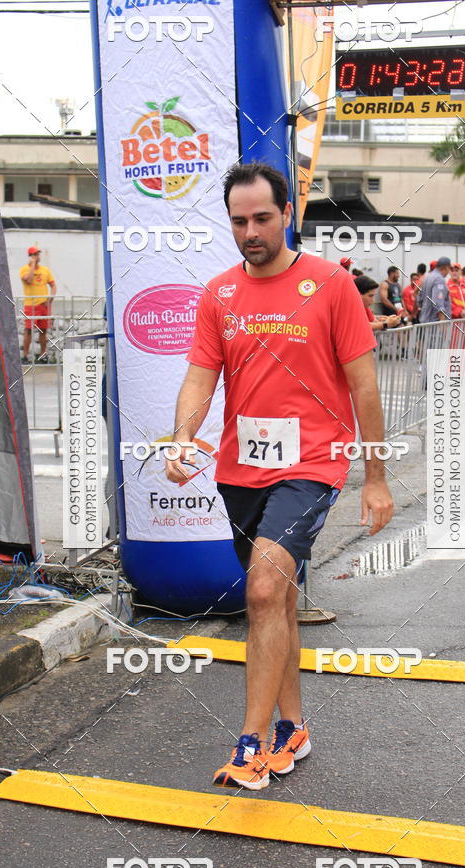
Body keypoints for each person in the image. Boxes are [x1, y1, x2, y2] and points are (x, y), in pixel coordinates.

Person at [166, 163, 394, 790]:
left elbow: (364, 385)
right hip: (240, 469)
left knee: (263, 591)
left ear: (288, 212)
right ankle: (294, 726)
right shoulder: (219, 294)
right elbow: (198, 377)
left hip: (313, 464)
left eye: (262, 218)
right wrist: (182, 439)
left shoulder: (329, 284)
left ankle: (250, 745)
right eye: (238, 221)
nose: (250, 232)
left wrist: (375, 475)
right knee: (280, 601)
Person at [19, 246, 56, 363]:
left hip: (44, 305)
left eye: (38, 254)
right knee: (28, 330)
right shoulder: (24, 269)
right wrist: (33, 265)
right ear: (30, 256)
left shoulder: (45, 270)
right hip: (31, 305)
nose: (37, 256)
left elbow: (53, 285)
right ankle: (25, 356)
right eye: (34, 254)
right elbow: (28, 280)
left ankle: (42, 355)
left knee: (43, 330)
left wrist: (50, 299)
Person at [418, 256, 451, 323]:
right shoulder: (439, 279)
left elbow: (419, 298)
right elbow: (438, 301)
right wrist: (442, 321)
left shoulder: (427, 277)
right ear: (446, 268)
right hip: (435, 323)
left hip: (425, 319)